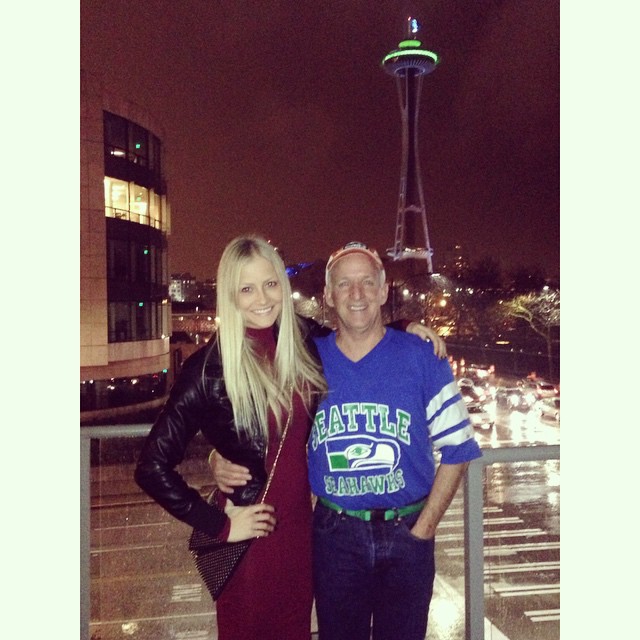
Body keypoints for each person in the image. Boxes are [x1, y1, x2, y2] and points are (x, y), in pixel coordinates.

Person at [134, 235, 445, 640]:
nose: (262, 299)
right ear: (230, 295)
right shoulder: (209, 368)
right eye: (247, 288)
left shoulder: (297, 336)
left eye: (270, 284)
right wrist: (221, 525)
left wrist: (404, 328)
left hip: (301, 531)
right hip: (253, 533)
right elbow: (151, 467)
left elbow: (352, 330)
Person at [213, 241, 482, 640]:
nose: (357, 294)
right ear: (328, 295)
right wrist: (217, 456)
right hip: (335, 536)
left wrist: (423, 530)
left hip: (408, 531)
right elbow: (262, 427)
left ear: (384, 291)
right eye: (344, 284)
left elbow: (459, 448)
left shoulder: (422, 356)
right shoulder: (304, 359)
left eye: (367, 282)